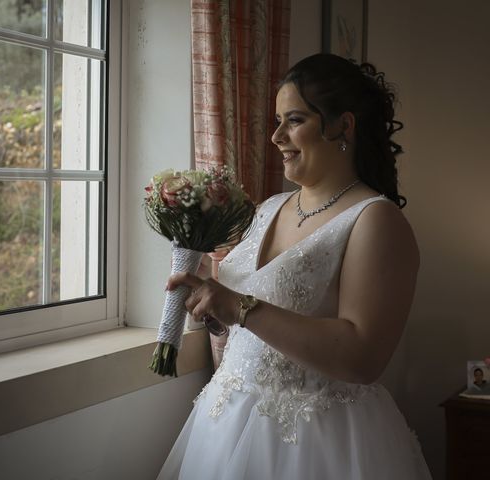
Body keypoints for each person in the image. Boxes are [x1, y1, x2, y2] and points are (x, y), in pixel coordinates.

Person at [157, 53, 432, 479]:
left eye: (294, 120)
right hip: (225, 423)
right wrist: (212, 304)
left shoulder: (375, 220)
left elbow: (363, 357)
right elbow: (256, 326)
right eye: (277, 120)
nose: (276, 136)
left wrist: (239, 308)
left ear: (342, 125)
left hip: (318, 441)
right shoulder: (268, 209)